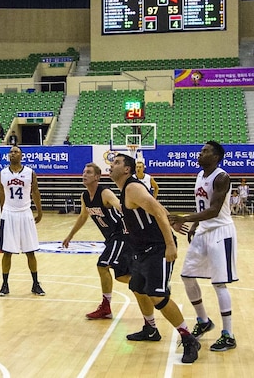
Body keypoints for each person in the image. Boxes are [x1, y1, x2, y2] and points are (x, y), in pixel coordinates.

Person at [110, 153, 200, 363]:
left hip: (158, 247)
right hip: (143, 249)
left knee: (157, 295)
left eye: (116, 162)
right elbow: (157, 208)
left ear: (126, 169)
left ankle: (188, 338)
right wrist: (171, 220)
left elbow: (156, 209)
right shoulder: (125, 190)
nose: (111, 165)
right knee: (137, 287)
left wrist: (169, 243)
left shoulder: (133, 187)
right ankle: (150, 329)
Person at [170, 140, 239, 353]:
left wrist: (186, 218)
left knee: (219, 284)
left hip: (220, 232)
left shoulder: (222, 177)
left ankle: (228, 335)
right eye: (201, 151)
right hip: (203, 231)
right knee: (187, 276)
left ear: (216, 157)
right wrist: (196, 225)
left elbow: (215, 209)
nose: (200, 154)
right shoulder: (200, 176)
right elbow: (204, 206)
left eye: (205, 151)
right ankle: (203, 320)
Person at [62, 162, 128, 320]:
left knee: (102, 265)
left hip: (122, 235)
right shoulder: (85, 196)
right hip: (111, 238)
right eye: (84, 171)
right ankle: (148, 285)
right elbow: (83, 216)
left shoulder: (104, 192)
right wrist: (70, 235)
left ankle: (106, 307)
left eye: (89, 172)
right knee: (121, 276)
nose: (84, 174)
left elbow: (121, 207)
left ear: (97, 177)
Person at [0, 145, 44, 296]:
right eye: (10, 152)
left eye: (16, 152)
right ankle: (5, 285)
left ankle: (36, 284)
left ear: (21, 155)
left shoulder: (30, 173)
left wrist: (39, 211)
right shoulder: (2, 173)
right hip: (9, 214)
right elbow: (2, 193)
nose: (12, 154)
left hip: (25, 213)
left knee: (30, 252)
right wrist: (2, 210)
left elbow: (35, 191)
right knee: (7, 252)